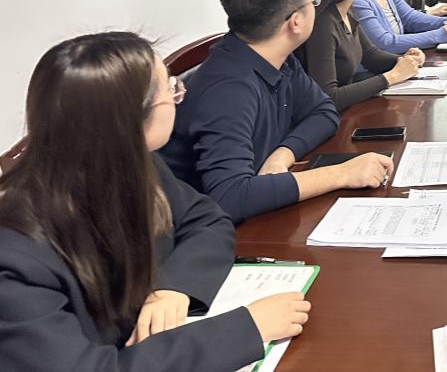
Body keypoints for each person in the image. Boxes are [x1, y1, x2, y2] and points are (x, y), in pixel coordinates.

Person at [0, 32, 310, 370]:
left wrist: (173, 289)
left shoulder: (130, 161)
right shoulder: (15, 256)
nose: (179, 95)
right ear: (132, 120)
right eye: (171, 89)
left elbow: (207, 218)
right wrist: (244, 330)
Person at [160, 0, 393, 224]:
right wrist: (342, 174)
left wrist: (282, 155)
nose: (316, 5)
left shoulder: (275, 56)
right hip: (210, 231)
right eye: (312, 0)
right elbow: (230, 196)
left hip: (259, 208)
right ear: (296, 22)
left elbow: (323, 111)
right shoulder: (227, 90)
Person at [304, 0, 424, 111]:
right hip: (333, 118)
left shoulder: (345, 9)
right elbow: (328, 97)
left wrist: (405, 60)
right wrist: (392, 77)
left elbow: (370, 56)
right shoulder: (322, 23)